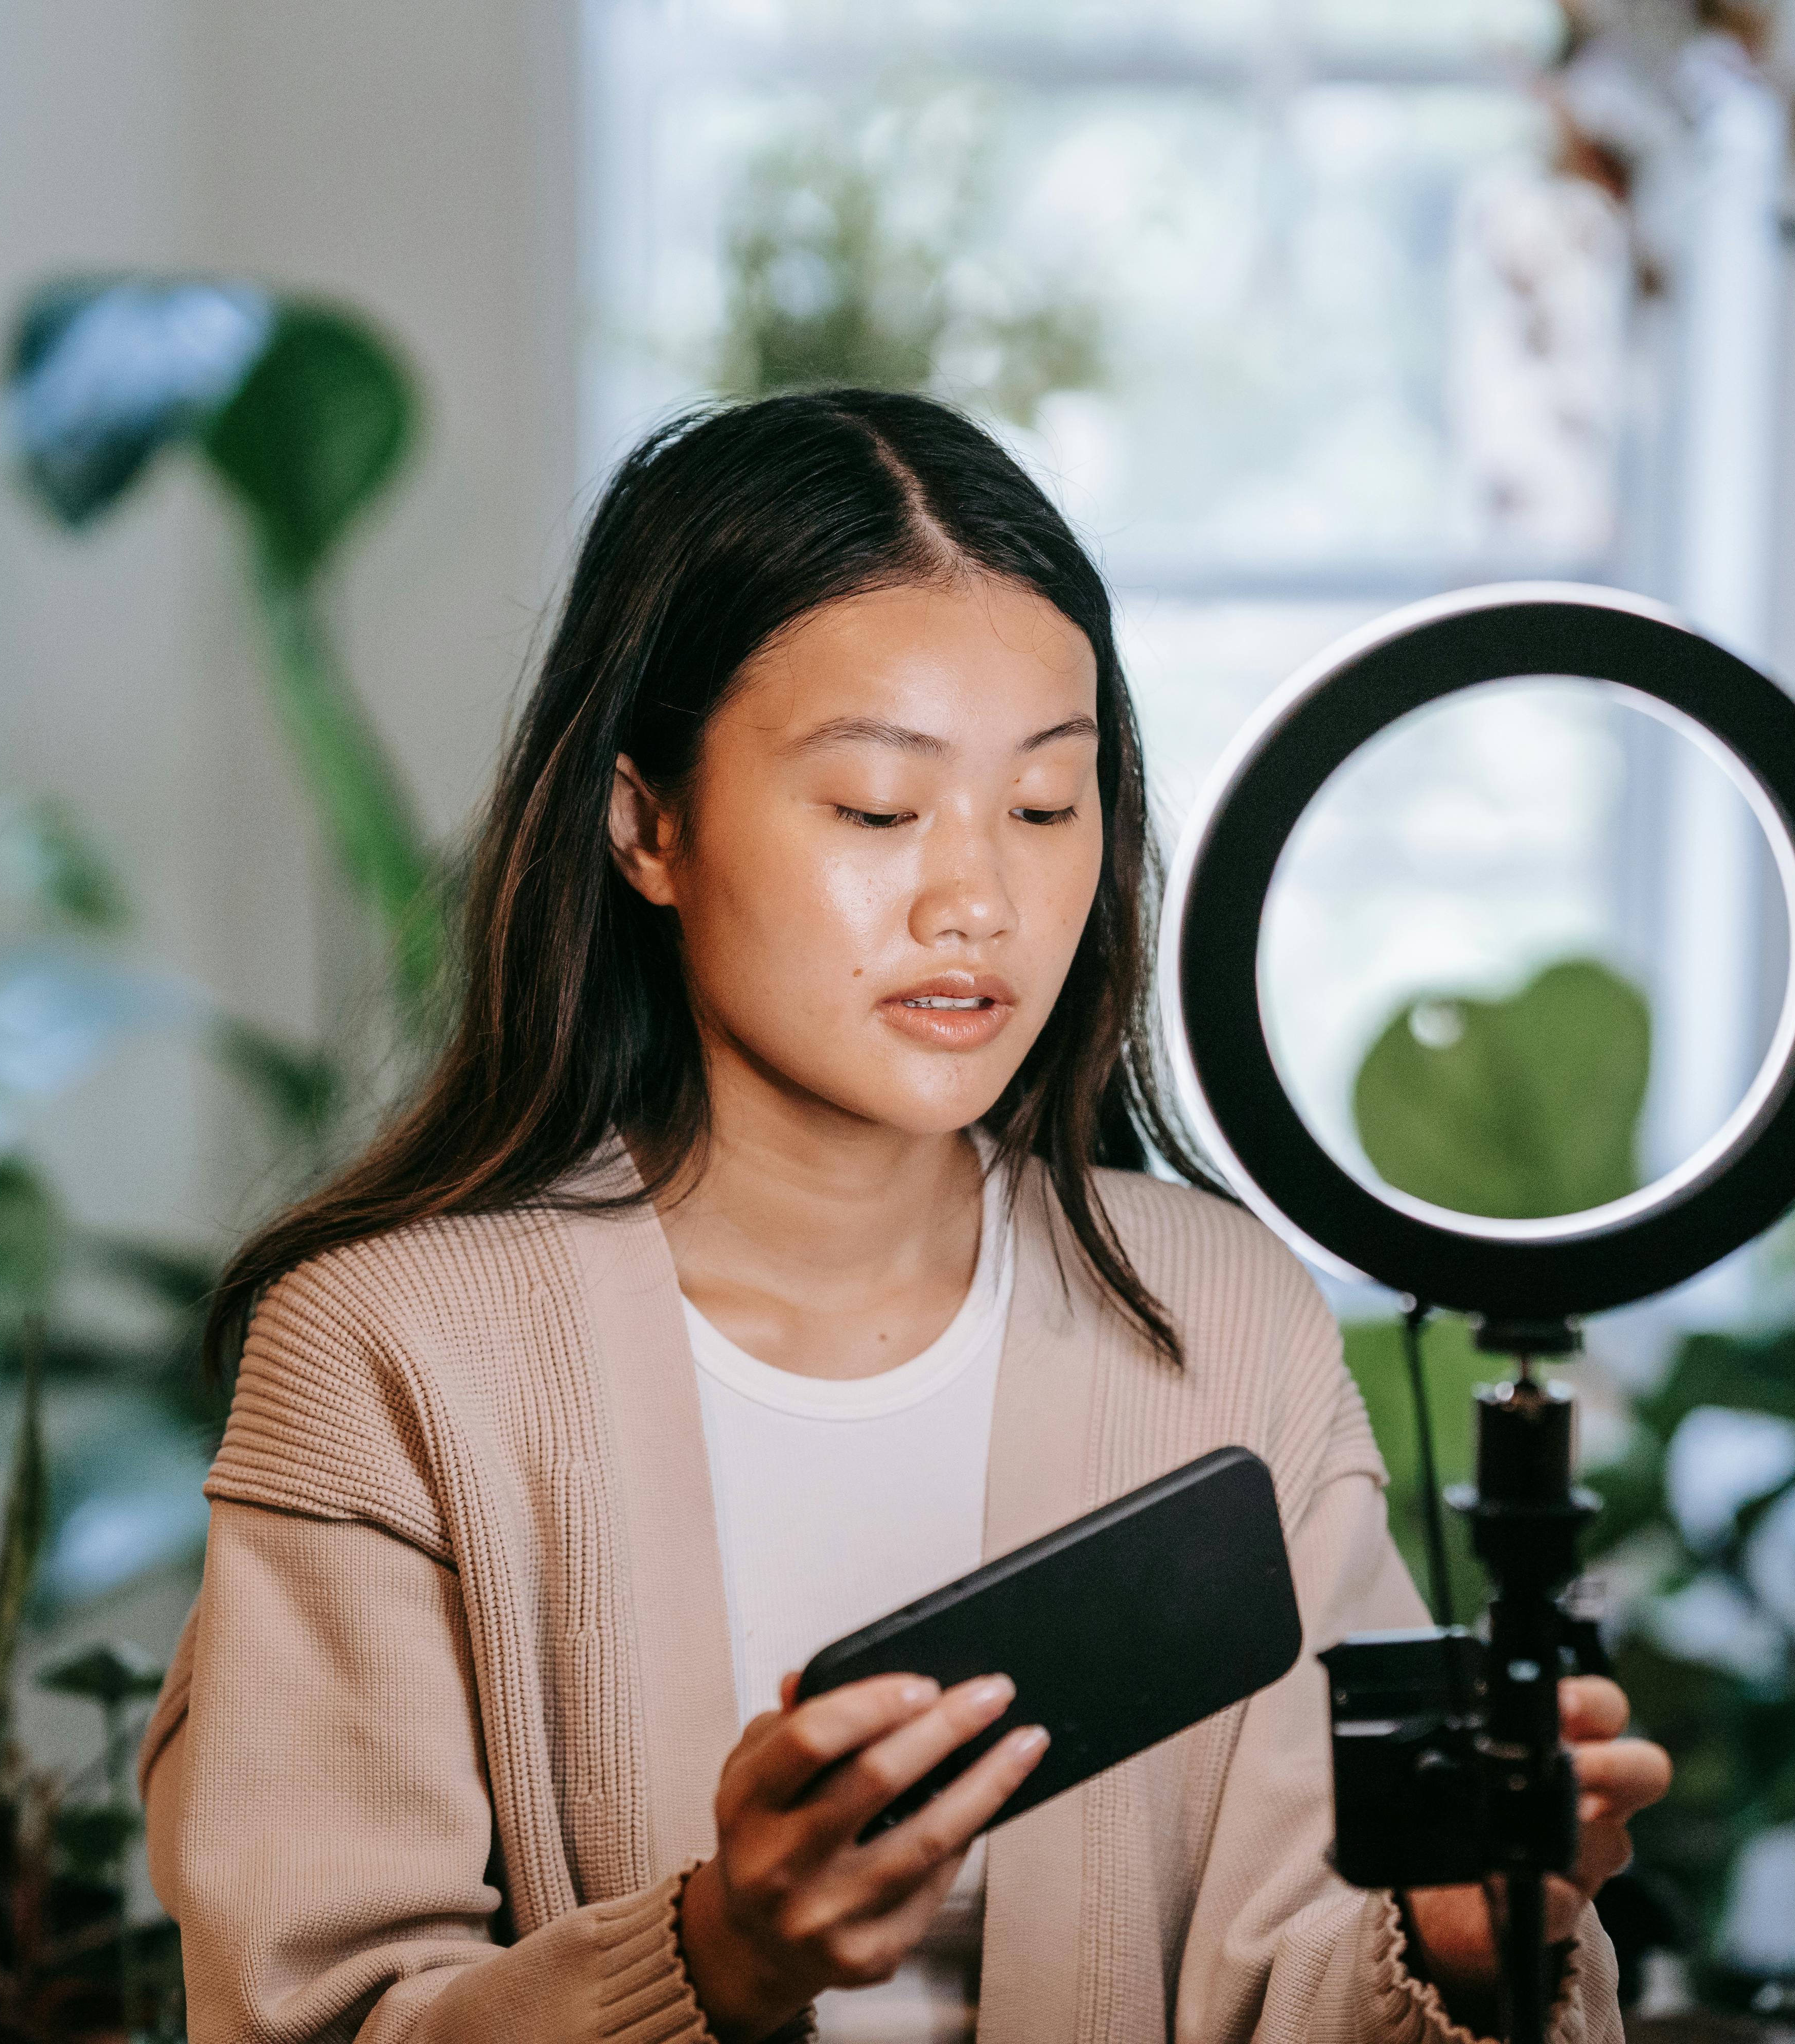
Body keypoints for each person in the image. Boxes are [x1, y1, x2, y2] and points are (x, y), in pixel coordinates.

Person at [138, 388, 1669, 2044]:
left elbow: (1302, 1970)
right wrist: (718, 1956)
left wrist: (1453, 1945)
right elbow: (314, 2017)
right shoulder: (392, 1354)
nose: (978, 902)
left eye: (1046, 806)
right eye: (878, 808)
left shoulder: (1217, 1316)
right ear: (647, 822)